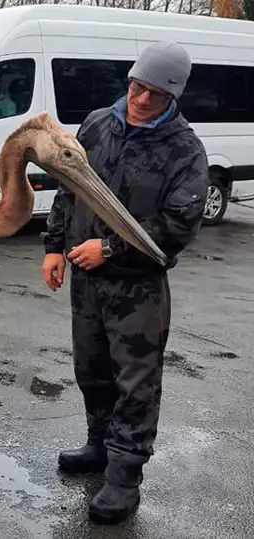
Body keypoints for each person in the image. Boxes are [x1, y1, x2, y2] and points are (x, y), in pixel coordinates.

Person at [41, 41, 209, 525]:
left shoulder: (184, 150)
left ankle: (124, 479)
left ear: (172, 96)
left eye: (153, 94)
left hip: (137, 288)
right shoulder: (97, 124)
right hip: (85, 280)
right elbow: (67, 189)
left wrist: (109, 249)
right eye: (136, 87)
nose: (139, 99)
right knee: (91, 370)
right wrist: (54, 247)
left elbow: (180, 224)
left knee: (135, 383)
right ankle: (98, 445)